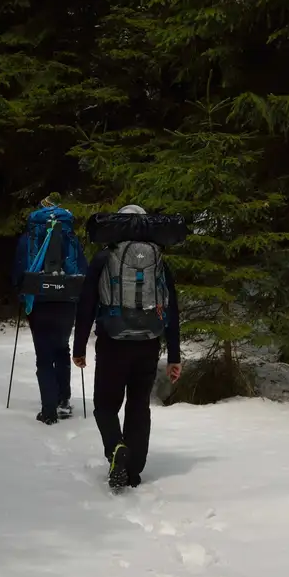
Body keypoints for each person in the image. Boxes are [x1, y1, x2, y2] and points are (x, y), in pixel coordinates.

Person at [73, 204, 182, 489]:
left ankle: (115, 448)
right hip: (148, 343)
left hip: (112, 342)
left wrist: (79, 346)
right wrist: (174, 355)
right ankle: (133, 472)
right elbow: (172, 309)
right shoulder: (158, 260)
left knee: (104, 406)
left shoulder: (104, 257)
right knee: (138, 406)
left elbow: (86, 304)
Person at [11, 198, 89, 424]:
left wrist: (21, 294)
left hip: (38, 300)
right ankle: (63, 400)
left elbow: (18, 271)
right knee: (62, 349)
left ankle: (48, 410)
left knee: (43, 356)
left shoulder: (29, 239)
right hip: (66, 301)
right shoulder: (70, 238)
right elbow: (82, 269)